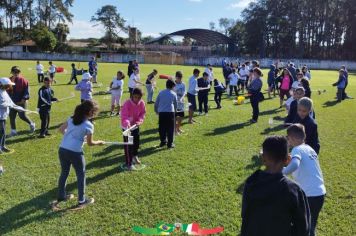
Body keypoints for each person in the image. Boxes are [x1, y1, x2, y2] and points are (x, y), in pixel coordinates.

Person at [241, 135, 310, 236]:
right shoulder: (294, 190)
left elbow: (245, 214)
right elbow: (303, 227)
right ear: (288, 159)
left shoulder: (251, 182)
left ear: (263, 158)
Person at [57, 100, 104, 209]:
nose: (95, 114)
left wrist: (70, 137)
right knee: (81, 175)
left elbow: (61, 129)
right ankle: (82, 201)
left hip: (62, 149)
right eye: (94, 112)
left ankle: (61, 195)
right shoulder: (89, 125)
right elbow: (90, 143)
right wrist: (99, 142)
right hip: (75, 152)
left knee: (64, 172)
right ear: (90, 112)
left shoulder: (71, 118)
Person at [283, 124, 326, 236]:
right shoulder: (309, 148)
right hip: (320, 193)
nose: (287, 140)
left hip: (309, 195)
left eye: (288, 137)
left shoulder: (297, 149)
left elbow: (295, 165)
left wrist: (282, 171)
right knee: (311, 224)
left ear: (293, 138)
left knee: (302, 225)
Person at [0, 77, 28, 153]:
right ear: (2, 85)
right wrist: (10, 105)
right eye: (8, 85)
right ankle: (1, 148)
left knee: (2, 132)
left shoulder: (4, 91)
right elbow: (2, 104)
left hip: (3, 115)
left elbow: (10, 102)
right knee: (2, 132)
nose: (9, 87)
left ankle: (2, 146)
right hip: (0, 116)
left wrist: (21, 108)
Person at [121, 88, 146, 170]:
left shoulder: (142, 103)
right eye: (135, 97)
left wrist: (140, 121)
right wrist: (127, 123)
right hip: (127, 129)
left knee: (136, 143)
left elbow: (142, 113)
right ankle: (129, 163)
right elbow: (124, 116)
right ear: (132, 96)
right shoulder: (127, 103)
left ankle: (135, 156)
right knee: (129, 145)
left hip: (135, 126)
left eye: (139, 97)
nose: (137, 99)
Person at [8, 66, 35, 137]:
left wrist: (24, 98)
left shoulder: (23, 80)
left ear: (19, 72)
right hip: (12, 102)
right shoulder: (9, 80)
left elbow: (26, 91)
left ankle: (32, 124)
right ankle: (13, 131)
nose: (16, 73)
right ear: (12, 72)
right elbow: (6, 91)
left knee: (22, 116)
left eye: (17, 72)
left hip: (21, 102)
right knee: (11, 116)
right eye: (14, 72)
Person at [155, 79, 177, 149]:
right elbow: (176, 104)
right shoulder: (173, 94)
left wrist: (156, 111)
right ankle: (170, 144)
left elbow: (156, 103)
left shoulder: (161, 92)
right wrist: (175, 112)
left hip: (162, 113)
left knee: (162, 128)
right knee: (170, 128)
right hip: (170, 113)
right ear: (173, 86)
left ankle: (163, 142)